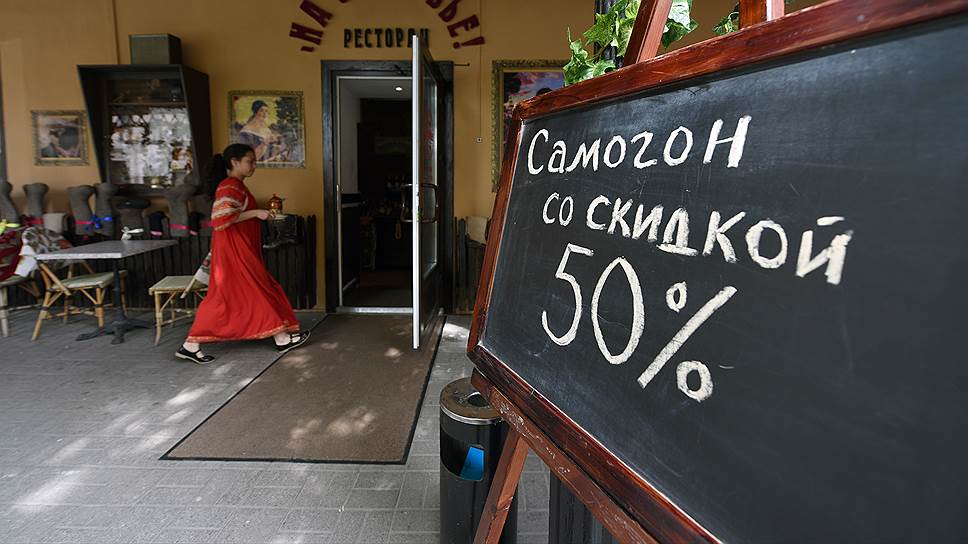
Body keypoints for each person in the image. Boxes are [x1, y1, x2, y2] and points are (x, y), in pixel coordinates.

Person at [176, 143, 309, 364]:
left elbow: (230, 215)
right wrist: (256, 213)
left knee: (238, 293)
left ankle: (191, 345)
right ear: (234, 162)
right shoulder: (230, 185)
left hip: (238, 247)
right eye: (250, 161)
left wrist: (257, 214)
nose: (254, 165)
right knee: (251, 290)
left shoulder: (235, 185)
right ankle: (281, 338)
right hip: (234, 250)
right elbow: (220, 220)